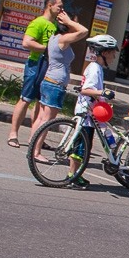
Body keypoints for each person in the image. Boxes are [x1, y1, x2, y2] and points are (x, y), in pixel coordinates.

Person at [29, 12, 88, 164]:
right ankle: (36, 152)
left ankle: (32, 147)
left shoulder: (54, 38)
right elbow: (84, 31)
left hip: (48, 81)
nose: (76, 25)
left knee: (41, 117)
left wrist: (68, 22)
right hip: (55, 84)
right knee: (47, 120)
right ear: (66, 25)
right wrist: (69, 21)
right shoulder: (62, 39)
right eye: (73, 23)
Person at [7, 0, 63, 148]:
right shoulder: (38, 23)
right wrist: (47, 49)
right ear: (50, 5)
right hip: (35, 64)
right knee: (26, 98)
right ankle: (13, 134)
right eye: (59, 6)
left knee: (41, 102)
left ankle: (35, 138)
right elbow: (26, 42)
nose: (61, 9)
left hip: (49, 66)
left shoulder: (55, 25)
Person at [67, 34, 119, 189]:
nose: (114, 56)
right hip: (86, 113)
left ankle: (76, 174)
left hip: (91, 112)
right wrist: (103, 93)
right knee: (81, 147)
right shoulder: (95, 69)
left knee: (86, 145)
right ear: (105, 52)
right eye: (112, 53)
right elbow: (86, 90)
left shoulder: (97, 68)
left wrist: (102, 99)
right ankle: (72, 175)